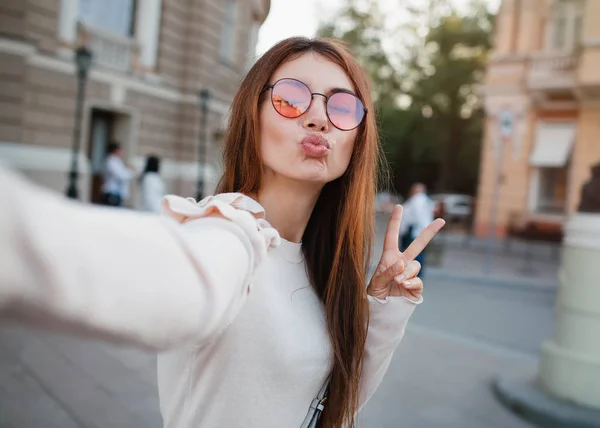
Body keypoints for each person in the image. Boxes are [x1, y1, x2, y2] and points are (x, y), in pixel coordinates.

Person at [0, 38, 444, 428]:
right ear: (252, 115)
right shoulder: (228, 232)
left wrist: (385, 305)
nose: (318, 118)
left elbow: (331, 407)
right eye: (291, 99)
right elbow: (177, 282)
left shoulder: (319, 264)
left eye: (341, 106)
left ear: (358, 137)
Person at [399, 183, 435, 276]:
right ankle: (414, 273)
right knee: (416, 253)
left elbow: (419, 216)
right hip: (419, 230)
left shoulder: (418, 200)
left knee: (413, 253)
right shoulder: (426, 201)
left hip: (413, 231)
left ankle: (414, 273)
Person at [101, 142, 136, 207]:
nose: (122, 152)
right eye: (120, 150)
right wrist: (131, 171)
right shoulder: (111, 161)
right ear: (115, 150)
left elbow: (123, 173)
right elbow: (121, 175)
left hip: (117, 194)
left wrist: (129, 171)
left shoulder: (117, 161)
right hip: (112, 193)